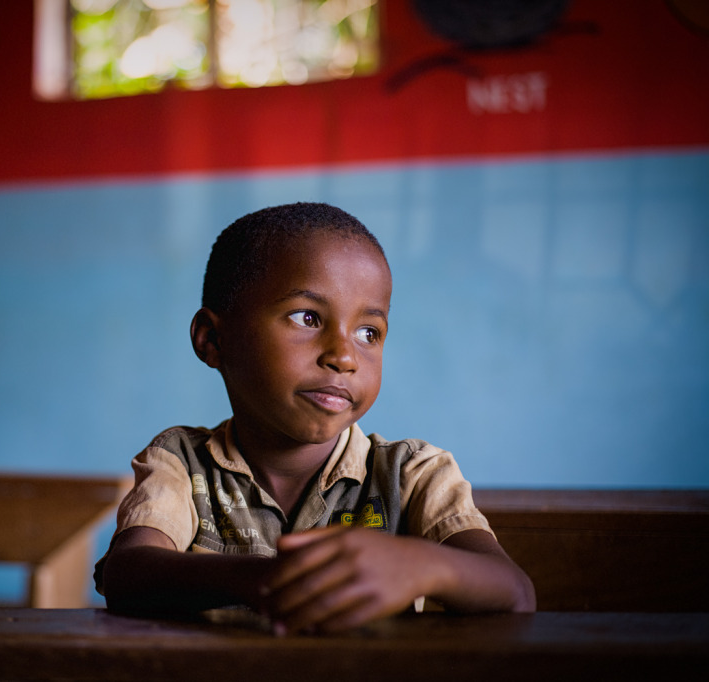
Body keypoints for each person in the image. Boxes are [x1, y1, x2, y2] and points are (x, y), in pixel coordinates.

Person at [95, 202, 535, 635]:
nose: (344, 357)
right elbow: (127, 573)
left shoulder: (412, 474)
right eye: (307, 318)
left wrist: (422, 566)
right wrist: (266, 579)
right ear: (212, 340)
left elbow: (515, 594)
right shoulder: (182, 463)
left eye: (369, 333)